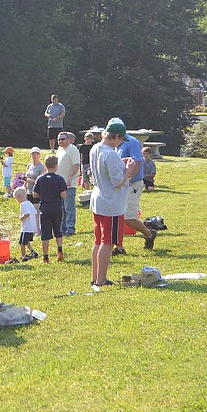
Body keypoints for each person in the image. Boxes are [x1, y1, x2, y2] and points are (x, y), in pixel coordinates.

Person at [89, 119, 131, 287]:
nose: (121, 143)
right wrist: (128, 170)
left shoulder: (95, 148)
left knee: (98, 240)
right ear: (116, 136)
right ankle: (101, 280)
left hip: (98, 198)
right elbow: (117, 182)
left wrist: (121, 164)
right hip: (111, 204)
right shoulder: (111, 154)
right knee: (108, 242)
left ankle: (95, 277)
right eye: (121, 140)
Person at [111, 117, 157, 254]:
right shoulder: (117, 143)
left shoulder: (132, 142)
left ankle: (149, 233)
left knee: (128, 218)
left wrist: (128, 180)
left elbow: (137, 162)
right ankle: (118, 247)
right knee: (118, 216)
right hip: (122, 184)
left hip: (132, 184)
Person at [33, 155, 67, 262]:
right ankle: (60, 251)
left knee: (45, 234)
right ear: (56, 166)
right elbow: (63, 195)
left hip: (45, 208)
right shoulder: (60, 179)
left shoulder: (40, 179)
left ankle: (46, 257)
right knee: (58, 230)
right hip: (56, 207)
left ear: (46, 165)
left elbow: (35, 194)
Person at [56, 131, 81, 235]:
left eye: (63, 139)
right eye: (59, 139)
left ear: (68, 140)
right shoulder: (60, 150)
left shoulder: (72, 149)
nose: (61, 141)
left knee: (69, 207)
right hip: (59, 184)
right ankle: (63, 228)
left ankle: (70, 228)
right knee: (61, 208)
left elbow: (76, 165)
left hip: (69, 184)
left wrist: (70, 178)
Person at [13, 186, 39, 262]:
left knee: (22, 243)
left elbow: (26, 214)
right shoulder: (29, 203)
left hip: (26, 228)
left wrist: (21, 217)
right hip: (32, 227)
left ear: (19, 197)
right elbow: (35, 212)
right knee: (27, 241)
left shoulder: (23, 204)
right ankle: (33, 251)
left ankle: (23, 255)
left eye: (16, 199)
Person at [24, 147, 46, 234]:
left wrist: (28, 180)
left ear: (39, 155)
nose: (35, 155)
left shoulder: (42, 167)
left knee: (37, 212)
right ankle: (32, 229)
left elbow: (40, 181)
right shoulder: (29, 165)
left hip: (37, 192)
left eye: (37, 154)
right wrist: (24, 185)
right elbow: (26, 177)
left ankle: (39, 231)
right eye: (33, 154)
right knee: (30, 211)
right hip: (28, 191)